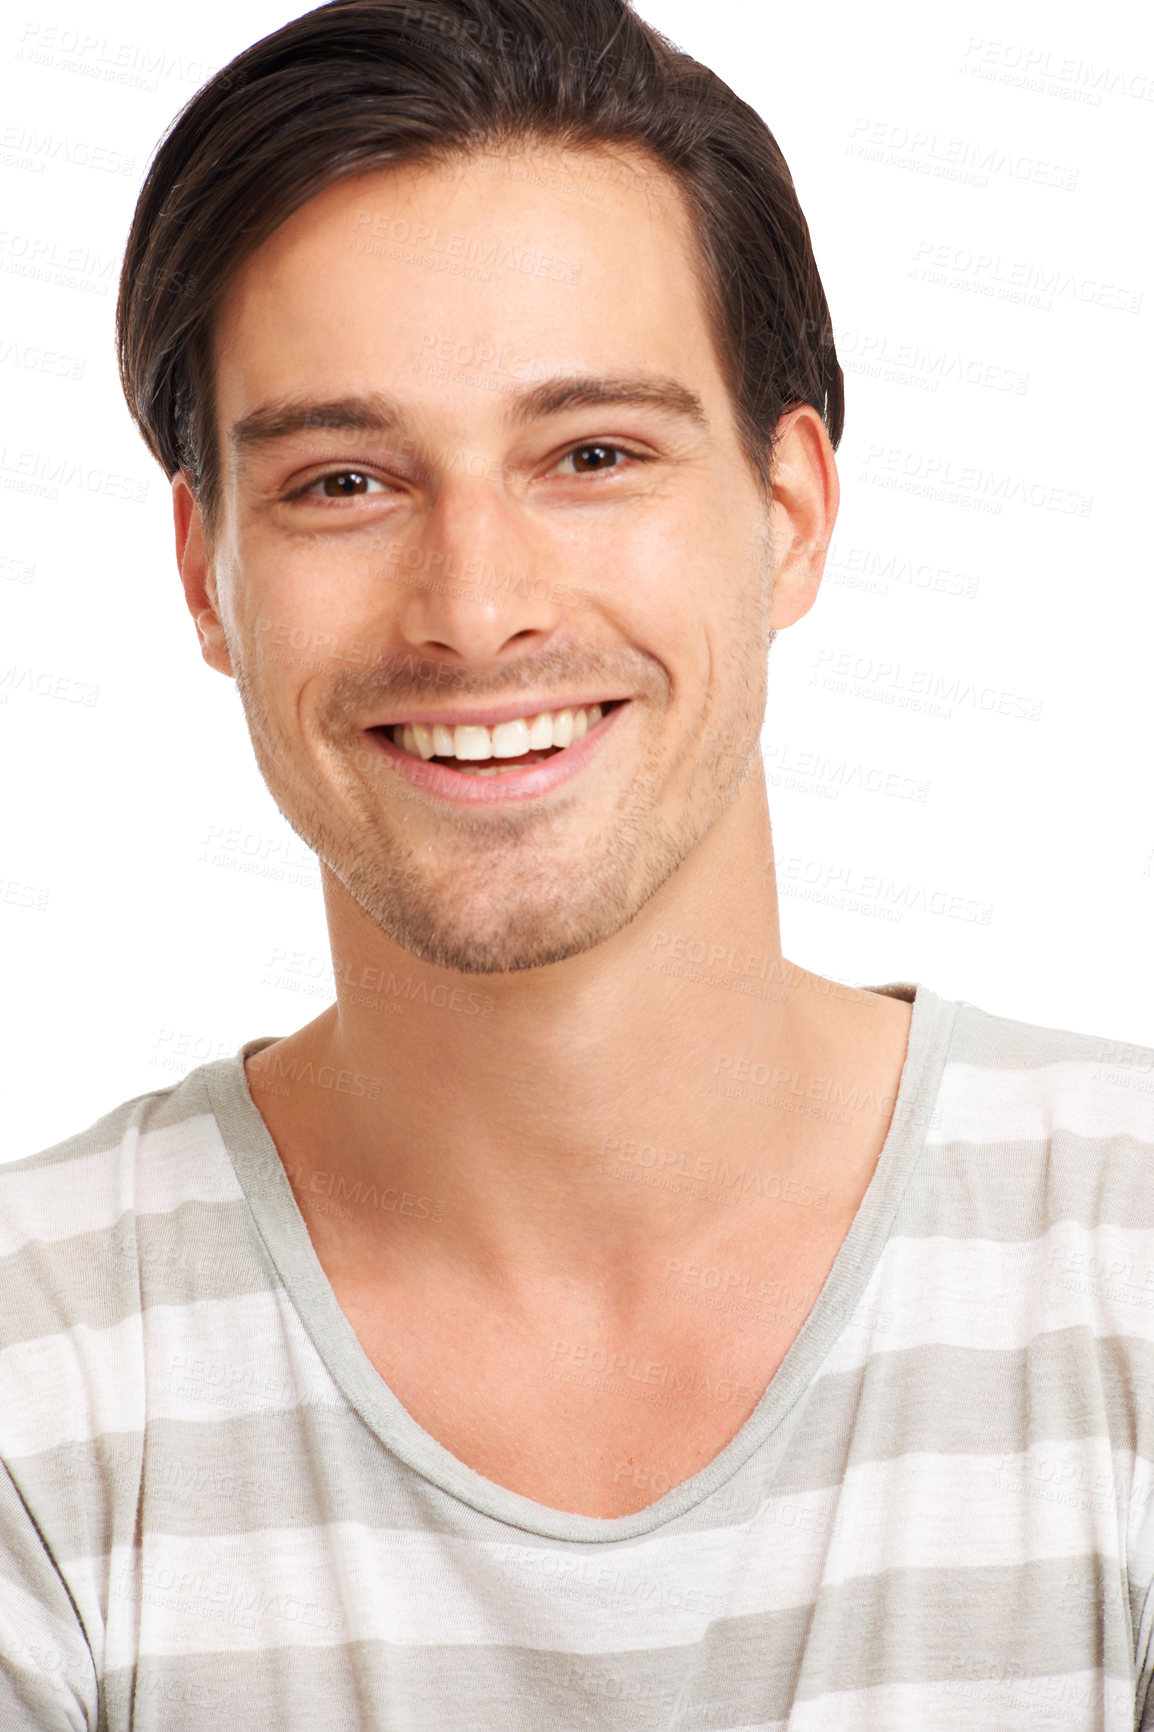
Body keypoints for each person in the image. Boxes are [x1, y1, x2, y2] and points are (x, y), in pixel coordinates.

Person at [2, 0, 1151, 1724]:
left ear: (790, 515)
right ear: (202, 569)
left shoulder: (1123, 1258)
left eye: (592, 455)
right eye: (342, 481)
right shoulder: (40, 1372)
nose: (477, 608)